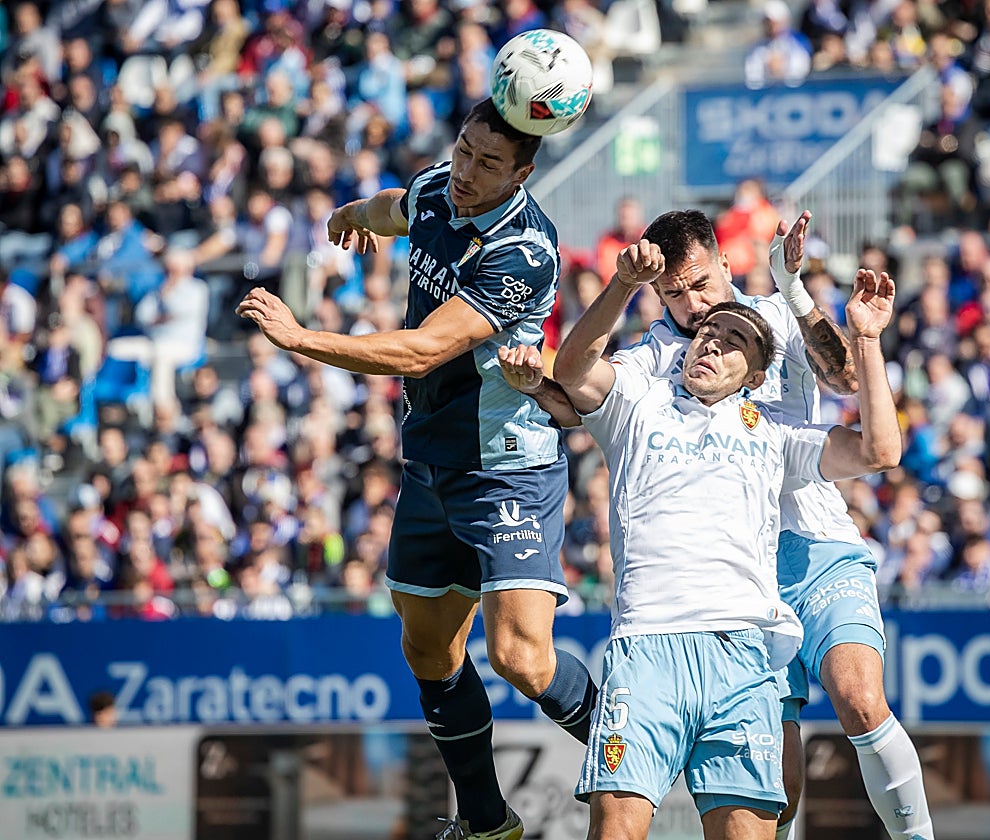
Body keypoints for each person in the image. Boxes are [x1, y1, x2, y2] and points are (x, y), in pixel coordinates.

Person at [236, 98, 598, 840]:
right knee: (428, 648)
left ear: (522, 173)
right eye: (464, 150)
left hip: (504, 467)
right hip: (430, 458)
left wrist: (302, 339)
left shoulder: (524, 250)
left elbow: (422, 350)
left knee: (521, 658)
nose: (466, 171)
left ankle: (634, 747)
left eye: (488, 164)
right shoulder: (440, 185)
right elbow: (398, 205)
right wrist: (353, 216)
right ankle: (488, 823)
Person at [527, 210, 934, 840]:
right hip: (730, 582)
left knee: (859, 696)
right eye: (674, 294)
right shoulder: (654, 358)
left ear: (724, 260)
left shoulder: (776, 318)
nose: (694, 308)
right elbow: (580, 389)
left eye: (700, 284)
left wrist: (795, 288)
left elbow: (851, 383)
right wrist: (535, 381)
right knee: (781, 788)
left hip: (812, 542)